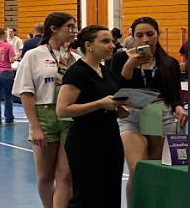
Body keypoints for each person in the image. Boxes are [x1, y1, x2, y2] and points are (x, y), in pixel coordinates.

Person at [109, 16, 188, 202]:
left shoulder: (169, 63)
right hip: (131, 115)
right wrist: (129, 66)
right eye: (140, 35)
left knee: (157, 170)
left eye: (150, 34)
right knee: (138, 170)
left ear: (157, 35)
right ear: (133, 36)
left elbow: (174, 93)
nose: (145, 39)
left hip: (162, 115)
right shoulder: (120, 59)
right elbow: (114, 90)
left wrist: (178, 107)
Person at [57, 26, 129, 208]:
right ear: (88, 45)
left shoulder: (106, 71)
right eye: (105, 42)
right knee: (87, 197)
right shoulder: (77, 72)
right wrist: (99, 104)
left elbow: (108, 102)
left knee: (111, 194)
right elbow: (63, 110)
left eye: (112, 41)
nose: (111, 46)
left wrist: (118, 109)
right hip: (85, 140)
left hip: (110, 137)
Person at [14, 12, 78, 208]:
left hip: (69, 117)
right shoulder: (33, 55)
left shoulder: (74, 58)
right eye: (69, 27)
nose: (73, 32)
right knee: (45, 176)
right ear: (53, 28)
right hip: (44, 115)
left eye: (75, 27)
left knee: (66, 174)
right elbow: (25, 92)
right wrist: (35, 126)